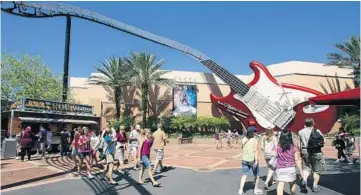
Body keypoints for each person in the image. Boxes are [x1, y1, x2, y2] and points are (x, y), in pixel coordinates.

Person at [298, 118, 325, 193]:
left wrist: (301, 152)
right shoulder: (317, 131)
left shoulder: (300, 132)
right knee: (317, 170)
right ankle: (314, 186)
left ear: (305, 123)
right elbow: (323, 140)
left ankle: (304, 180)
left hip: (305, 150)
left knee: (306, 167)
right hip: (316, 151)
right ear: (313, 123)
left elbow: (298, 144)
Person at [238, 126, 262, 195]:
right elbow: (256, 151)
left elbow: (242, 148)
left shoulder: (243, 139)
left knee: (244, 174)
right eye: (254, 131)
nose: (255, 132)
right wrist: (256, 160)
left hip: (244, 159)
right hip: (252, 160)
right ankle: (256, 189)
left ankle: (240, 189)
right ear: (252, 133)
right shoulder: (255, 140)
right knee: (256, 175)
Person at [274, 131, 300, 195]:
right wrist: (301, 170)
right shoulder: (293, 147)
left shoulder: (278, 147)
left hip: (280, 168)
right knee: (292, 183)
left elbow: (272, 154)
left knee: (280, 183)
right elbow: (297, 159)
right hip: (291, 167)